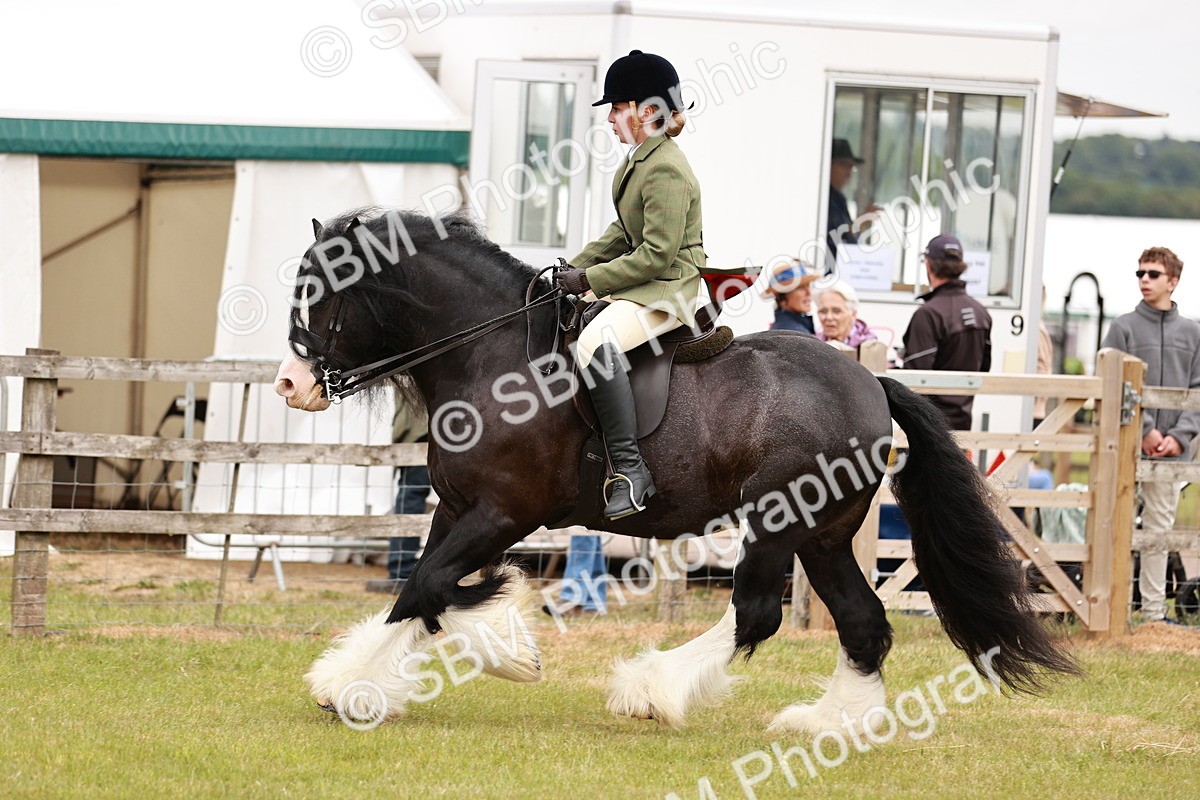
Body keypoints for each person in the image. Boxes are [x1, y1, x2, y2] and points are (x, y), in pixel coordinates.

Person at [553, 50, 703, 521]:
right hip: (646, 283)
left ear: (646, 111)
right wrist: (567, 270)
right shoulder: (639, 160)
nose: (611, 119)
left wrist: (589, 279)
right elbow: (623, 232)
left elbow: (657, 253)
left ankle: (630, 471)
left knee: (596, 342)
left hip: (669, 287)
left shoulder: (666, 167)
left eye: (617, 108)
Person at [1100, 246, 1200, 622]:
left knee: (1158, 533)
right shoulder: (1122, 327)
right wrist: (1142, 431)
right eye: (1140, 273)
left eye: (1153, 274)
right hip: (1124, 449)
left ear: (1173, 281)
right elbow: (1108, 384)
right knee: (1115, 527)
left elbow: (1198, 390)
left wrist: (1179, 437)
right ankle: (1113, 611)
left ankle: (1153, 615)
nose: (1144, 279)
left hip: (1173, 453)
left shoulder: (1193, 333)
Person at [901, 233, 993, 431]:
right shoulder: (981, 313)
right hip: (964, 427)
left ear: (928, 265)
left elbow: (914, 377)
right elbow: (984, 368)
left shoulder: (928, 314)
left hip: (930, 431)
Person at [366, 395, 431, 593]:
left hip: (422, 428)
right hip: (448, 424)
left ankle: (401, 573)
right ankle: (403, 572)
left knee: (411, 496)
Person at [826, 139, 878, 260]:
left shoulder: (839, 199)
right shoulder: (824, 199)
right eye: (843, 164)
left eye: (851, 166)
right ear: (828, 165)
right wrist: (860, 223)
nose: (848, 170)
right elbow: (835, 237)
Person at [815, 280, 877, 347]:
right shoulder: (813, 343)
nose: (829, 317)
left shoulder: (870, 346)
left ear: (853, 314)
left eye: (836, 311)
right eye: (823, 311)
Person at [762, 260, 818, 334]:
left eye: (808, 285)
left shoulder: (787, 329)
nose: (808, 293)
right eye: (800, 287)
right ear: (782, 299)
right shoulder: (795, 334)